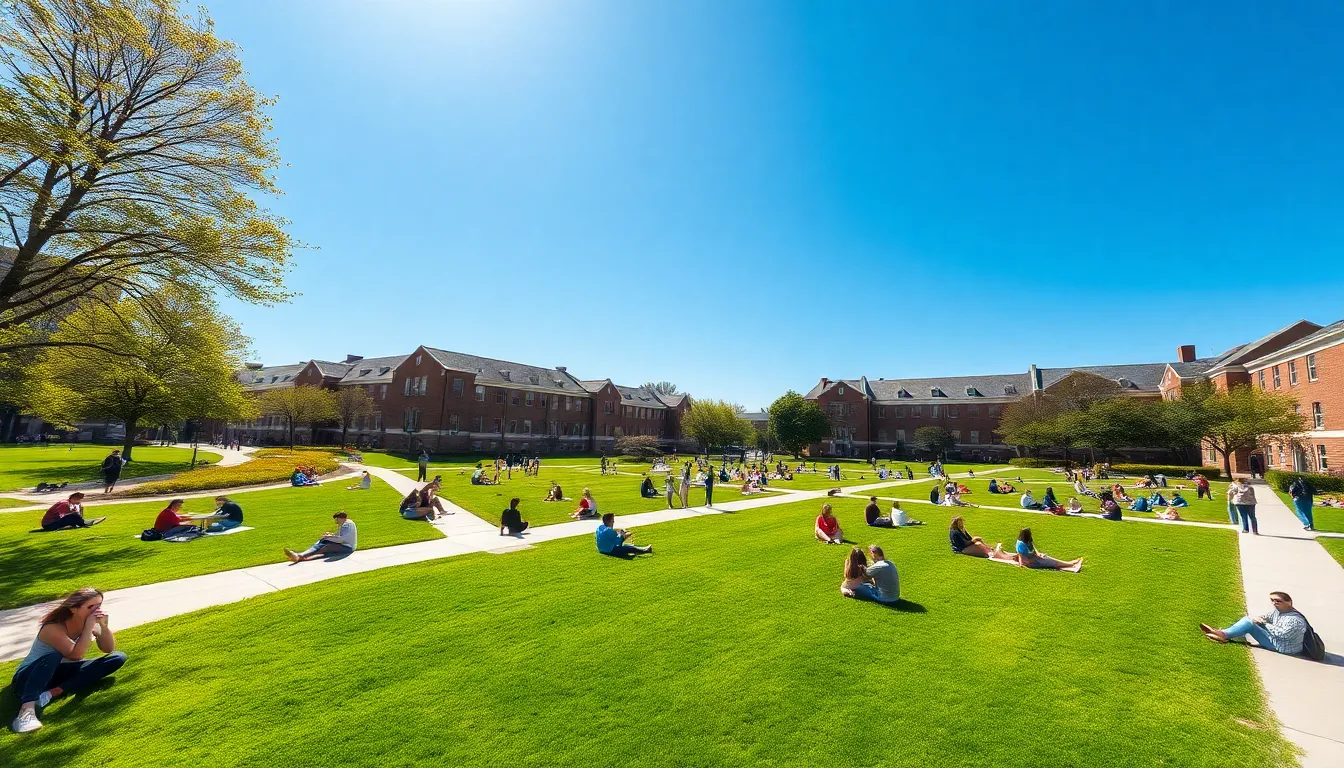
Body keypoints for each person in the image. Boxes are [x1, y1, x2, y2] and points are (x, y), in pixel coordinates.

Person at [9, 588, 127, 734]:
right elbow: (76, 655)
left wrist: (103, 626)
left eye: (99, 605)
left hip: (58, 674)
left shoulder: (90, 622)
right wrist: (89, 627)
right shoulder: (53, 628)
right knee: (54, 656)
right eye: (91, 607)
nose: (96, 611)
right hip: (28, 678)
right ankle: (26, 711)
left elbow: (108, 648)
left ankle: (51, 693)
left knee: (117, 657)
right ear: (73, 609)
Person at [1200, 592, 1307, 655]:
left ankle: (1222, 634)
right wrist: (1258, 619)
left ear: (1289, 603)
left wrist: (1264, 624)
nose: (1274, 603)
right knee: (1251, 620)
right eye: (1272, 600)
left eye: (1278, 601)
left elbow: (1283, 635)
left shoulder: (1295, 620)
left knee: (1250, 623)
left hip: (1281, 647)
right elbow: (1267, 617)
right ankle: (1225, 633)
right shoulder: (1279, 612)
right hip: (1276, 640)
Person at [284, 512, 357, 562]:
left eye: (337, 519)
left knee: (324, 547)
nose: (336, 521)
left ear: (342, 518)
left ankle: (300, 556)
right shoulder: (346, 524)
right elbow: (340, 536)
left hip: (348, 547)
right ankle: (300, 556)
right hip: (345, 544)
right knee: (322, 544)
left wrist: (329, 537)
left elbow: (342, 539)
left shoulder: (347, 525)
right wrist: (330, 535)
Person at [948, 516, 1014, 560]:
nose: (962, 525)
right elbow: (962, 545)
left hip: (966, 546)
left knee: (979, 542)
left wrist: (974, 540)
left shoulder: (962, 530)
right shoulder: (955, 533)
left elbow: (969, 538)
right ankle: (990, 553)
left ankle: (990, 550)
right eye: (960, 524)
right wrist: (973, 541)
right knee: (978, 545)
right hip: (961, 549)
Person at [1014, 528, 1083, 570]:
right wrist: (1036, 558)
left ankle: (1069, 563)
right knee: (1049, 562)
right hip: (1030, 562)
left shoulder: (1026, 540)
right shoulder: (1021, 544)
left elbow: (1033, 547)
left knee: (1047, 558)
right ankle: (1070, 564)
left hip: (1034, 558)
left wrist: (1038, 554)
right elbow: (1023, 561)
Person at [40, 493, 104, 531]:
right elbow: (65, 515)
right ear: (73, 499)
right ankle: (84, 524)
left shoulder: (68, 503)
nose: (79, 502)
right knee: (74, 515)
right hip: (49, 525)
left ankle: (81, 523)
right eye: (78, 500)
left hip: (52, 523)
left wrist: (79, 510)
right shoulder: (64, 504)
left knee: (74, 515)